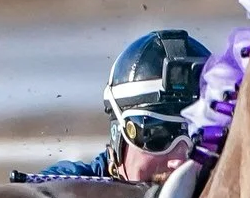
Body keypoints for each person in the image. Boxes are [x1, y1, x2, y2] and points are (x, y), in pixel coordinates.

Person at [13, 29, 211, 185]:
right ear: (118, 138)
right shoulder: (66, 194)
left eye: (203, 139)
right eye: (156, 135)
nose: (180, 162)